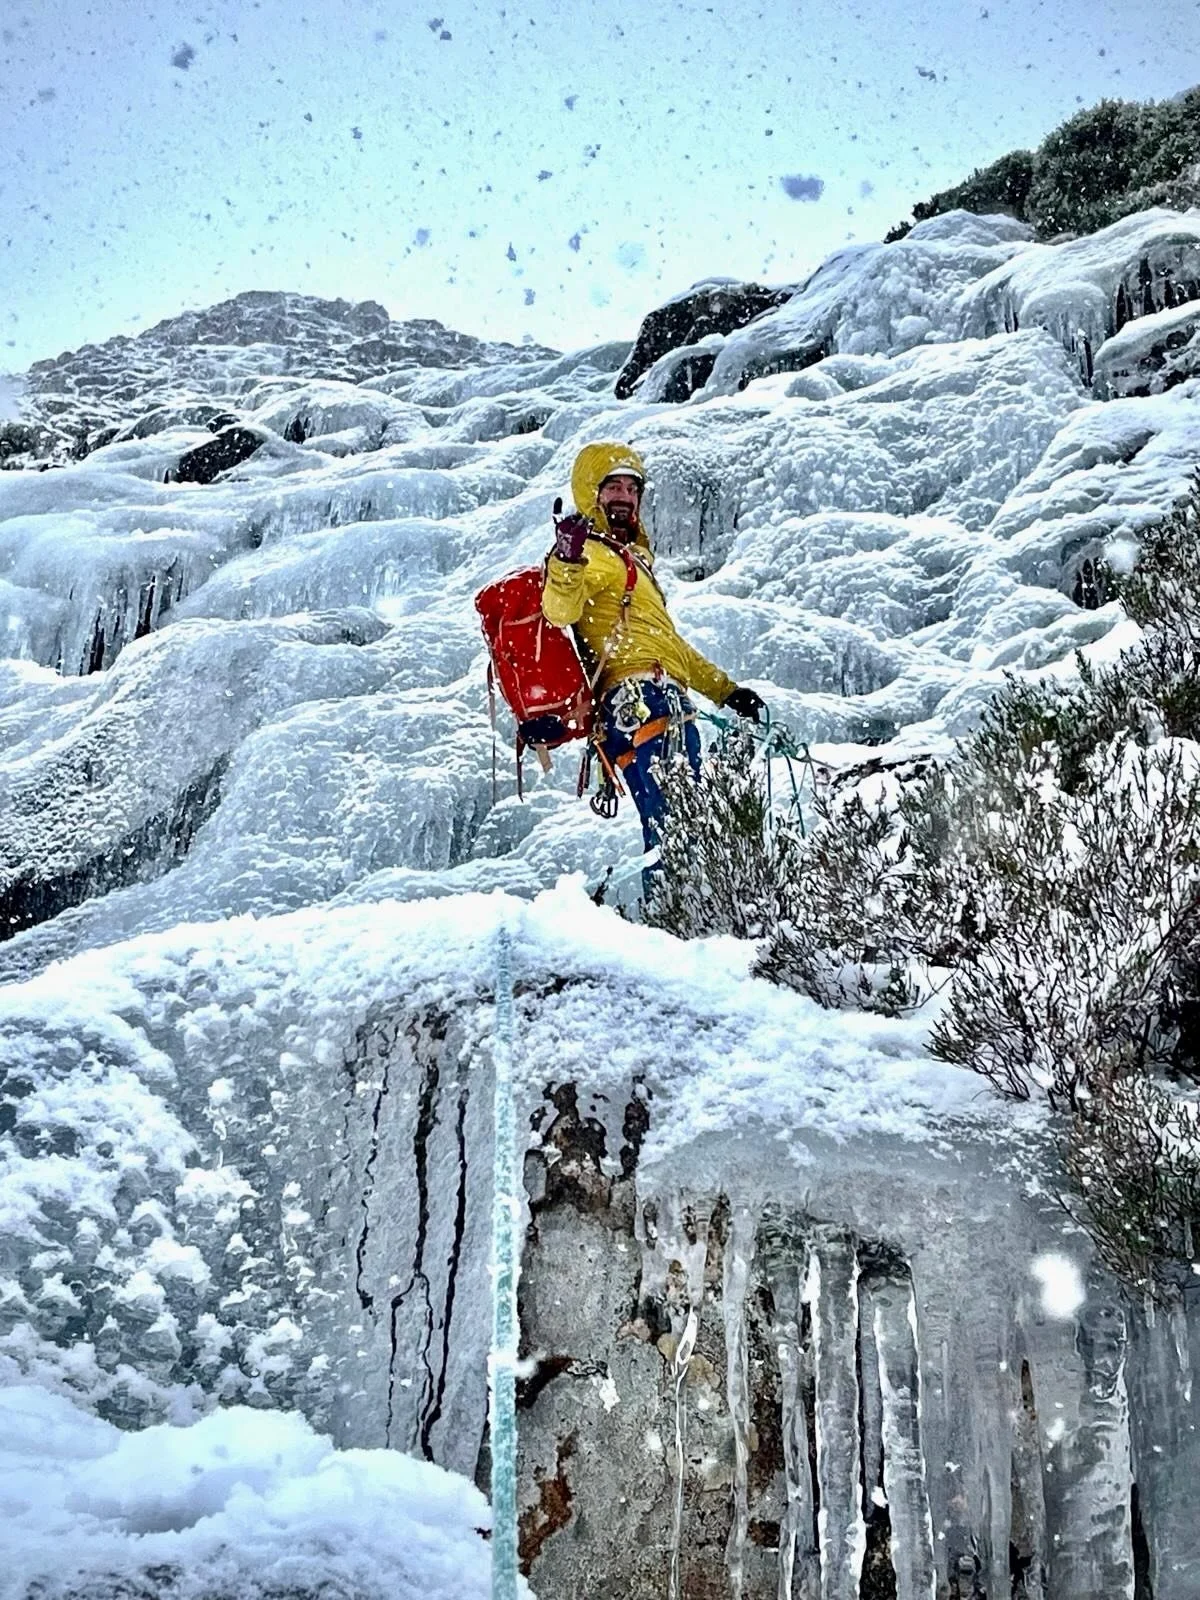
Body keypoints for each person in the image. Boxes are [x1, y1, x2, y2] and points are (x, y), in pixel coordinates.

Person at [541, 440, 764, 852]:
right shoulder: (593, 553)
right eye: (613, 487)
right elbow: (559, 610)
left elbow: (669, 646)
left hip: (626, 713)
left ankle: (668, 909)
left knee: (665, 829)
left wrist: (726, 691)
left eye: (632, 488)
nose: (625, 497)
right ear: (592, 491)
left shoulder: (629, 564)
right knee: (684, 821)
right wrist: (568, 559)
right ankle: (688, 910)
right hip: (648, 698)